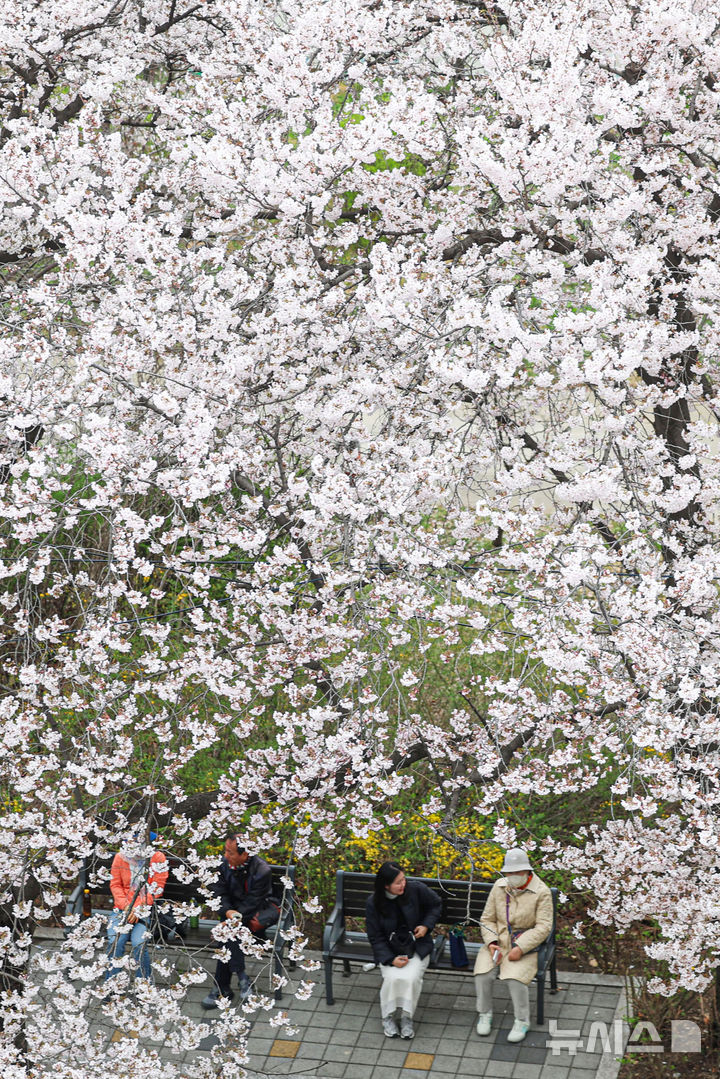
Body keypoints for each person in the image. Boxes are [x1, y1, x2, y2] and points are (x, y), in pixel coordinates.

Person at [474, 848, 553, 1043]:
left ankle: (522, 1020)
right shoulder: (499, 886)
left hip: (525, 945)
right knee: (483, 974)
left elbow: (543, 927)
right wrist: (492, 942)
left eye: (518, 872)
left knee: (515, 979)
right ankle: (484, 1013)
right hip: (499, 941)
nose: (513, 876)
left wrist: (521, 947)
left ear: (527, 871)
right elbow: (487, 918)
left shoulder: (541, 892)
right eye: (510, 872)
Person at [365, 861, 442, 1039]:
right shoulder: (373, 903)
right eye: (398, 882)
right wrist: (390, 959)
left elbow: (436, 904)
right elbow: (375, 936)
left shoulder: (416, 889)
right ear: (386, 885)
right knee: (392, 978)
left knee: (411, 978)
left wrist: (426, 925)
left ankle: (407, 1016)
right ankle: (388, 1016)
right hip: (390, 949)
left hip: (417, 946)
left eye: (403, 879)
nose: (403, 884)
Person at [201, 836, 277, 1010]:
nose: (226, 856)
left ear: (245, 854)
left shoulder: (261, 870)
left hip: (254, 918)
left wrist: (231, 921)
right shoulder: (223, 865)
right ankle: (242, 978)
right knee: (229, 934)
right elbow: (219, 893)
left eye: (230, 852)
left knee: (228, 935)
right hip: (230, 915)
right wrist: (228, 913)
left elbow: (253, 903)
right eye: (225, 851)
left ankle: (221, 988)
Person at [106, 831, 169, 983]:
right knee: (115, 940)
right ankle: (112, 983)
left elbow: (157, 889)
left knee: (138, 943)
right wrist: (127, 907)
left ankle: (144, 982)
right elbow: (115, 885)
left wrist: (138, 908)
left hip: (146, 909)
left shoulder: (157, 858)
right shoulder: (120, 857)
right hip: (122, 908)